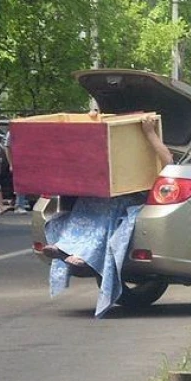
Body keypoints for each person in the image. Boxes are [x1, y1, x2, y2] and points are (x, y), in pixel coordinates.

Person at [40, 113, 172, 317]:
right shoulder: (120, 151)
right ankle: (66, 247)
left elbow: (168, 163)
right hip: (114, 193)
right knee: (89, 201)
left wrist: (150, 134)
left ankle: (83, 254)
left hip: (137, 197)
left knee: (110, 207)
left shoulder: (150, 145)